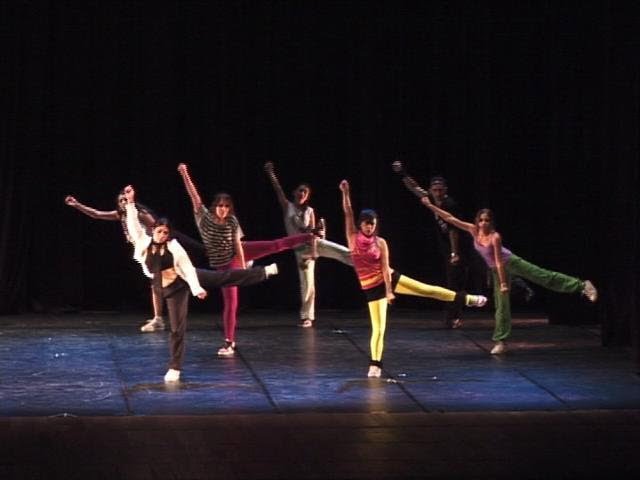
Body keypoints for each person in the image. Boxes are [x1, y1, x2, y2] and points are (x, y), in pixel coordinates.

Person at [416, 186, 598, 355]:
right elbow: (450, 218)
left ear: (491, 222)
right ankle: (501, 341)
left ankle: (582, 285)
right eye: (481, 220)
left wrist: (503, 283)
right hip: (496, 270)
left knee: (544, 277)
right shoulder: (473, 230)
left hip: (510, 263)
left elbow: (499, 261)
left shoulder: (495, 237)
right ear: (477, 221)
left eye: (487, 220)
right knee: (501, 306)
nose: (483, 223)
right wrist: (430, 206)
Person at [122, 185, 277, 383]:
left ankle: (263, 272)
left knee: (224, 277)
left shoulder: (174, 247)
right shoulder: (143, 242)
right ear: (153, 230)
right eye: (159, 231)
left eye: (165, 232)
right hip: (171, 289)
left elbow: (187, 269)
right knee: (177, 329)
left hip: (185, 279)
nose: (162, 235)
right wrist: (131, 202)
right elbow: (133, 225)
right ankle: (175, 367)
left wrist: (196, 289)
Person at [338, 180, 487, 378]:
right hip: (371, 288)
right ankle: (375, 365)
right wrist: (345, 192)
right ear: (360, 224)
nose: (370, 227)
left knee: (427, 290)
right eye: (367, 223)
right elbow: (348, 211)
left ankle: (469, 299)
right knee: (379, 328)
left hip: (388, 278)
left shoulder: (380, 242)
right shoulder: (352, 237)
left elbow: (385, 268)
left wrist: (389, 290)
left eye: (373, 224)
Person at [177, 163, 314, 356]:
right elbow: (194, 195)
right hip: (223, 265)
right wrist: (185, 173)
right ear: (214, 206)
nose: (223, 209)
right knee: (231, 303)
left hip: (238, 254)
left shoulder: (232, 221)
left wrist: (242, 269)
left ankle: (311, 235)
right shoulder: (203, 217)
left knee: (274, 245)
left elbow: (238, 245)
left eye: (226, 206)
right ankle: (229, 343)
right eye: (220, 206)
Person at [65, 192, 170, 332]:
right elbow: (97, 214)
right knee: (158, 283)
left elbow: (158, 229)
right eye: (121, 200)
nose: (123, 202)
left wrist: (156, 248)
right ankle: (159, 317)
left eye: (126, 200)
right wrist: (77, 205)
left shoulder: (141, 214)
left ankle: (158, 319)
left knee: (158, 283)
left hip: (152, 249)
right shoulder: (121, 215)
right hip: (143, 251)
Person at [264, 161, 353, 328]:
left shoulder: (310, 211)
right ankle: (307, 317)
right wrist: (271, 173)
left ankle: (365, 262)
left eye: (305, 192)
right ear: (294, 192)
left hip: (313, 245)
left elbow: (313, 233)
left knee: (343, 252)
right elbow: (278, 190)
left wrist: (313, 252)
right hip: (300, 250)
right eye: (300, 190)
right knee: (307, 283)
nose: (302, 193)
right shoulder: (288, 207)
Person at [392, 162, 471, 329]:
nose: (438, 193)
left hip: (459, 247)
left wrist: (454, 253)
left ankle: (454, 317)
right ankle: (453, 316)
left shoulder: (450, 204)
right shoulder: (431, 198)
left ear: (445, 190)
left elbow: (454, 230)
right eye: (435, 190)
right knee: (453, 283)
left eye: (440, 190)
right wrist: (403, 173)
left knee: (455, 284)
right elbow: (414, 188)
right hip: (446, 247)